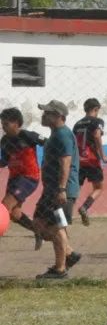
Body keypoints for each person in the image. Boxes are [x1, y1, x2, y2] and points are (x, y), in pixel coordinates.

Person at [32, 100, 82, 279]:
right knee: (38, 222)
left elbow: (65, 162)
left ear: (59, 116)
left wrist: (61, 189)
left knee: (57, 225)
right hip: (51, 190)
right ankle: (69, 253)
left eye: (48, 113)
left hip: (61, 191)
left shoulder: (62, 135)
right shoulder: (55, 134)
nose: (44, 116)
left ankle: (60, 269)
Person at [1, 107, 44, 245]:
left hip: (28, 177)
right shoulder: (4, 141)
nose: (3, 126)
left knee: (5, 205)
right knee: (15, 214)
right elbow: (5, 161)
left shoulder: (28, 136)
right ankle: (38, 231)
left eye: (6, 123)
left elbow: (49, 143)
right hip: (14, 178)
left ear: (16, 123)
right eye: (2, 123)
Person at [73, 97, 107, 225]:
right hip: (92, 160)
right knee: (98, 187)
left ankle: (64, 215)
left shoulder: (77, 124)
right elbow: (96, 135)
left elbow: (74, 141)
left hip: (79, 160)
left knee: (74, 189)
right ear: (96, 109)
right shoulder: (97, 121)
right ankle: (85, 207)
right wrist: (103, 155)